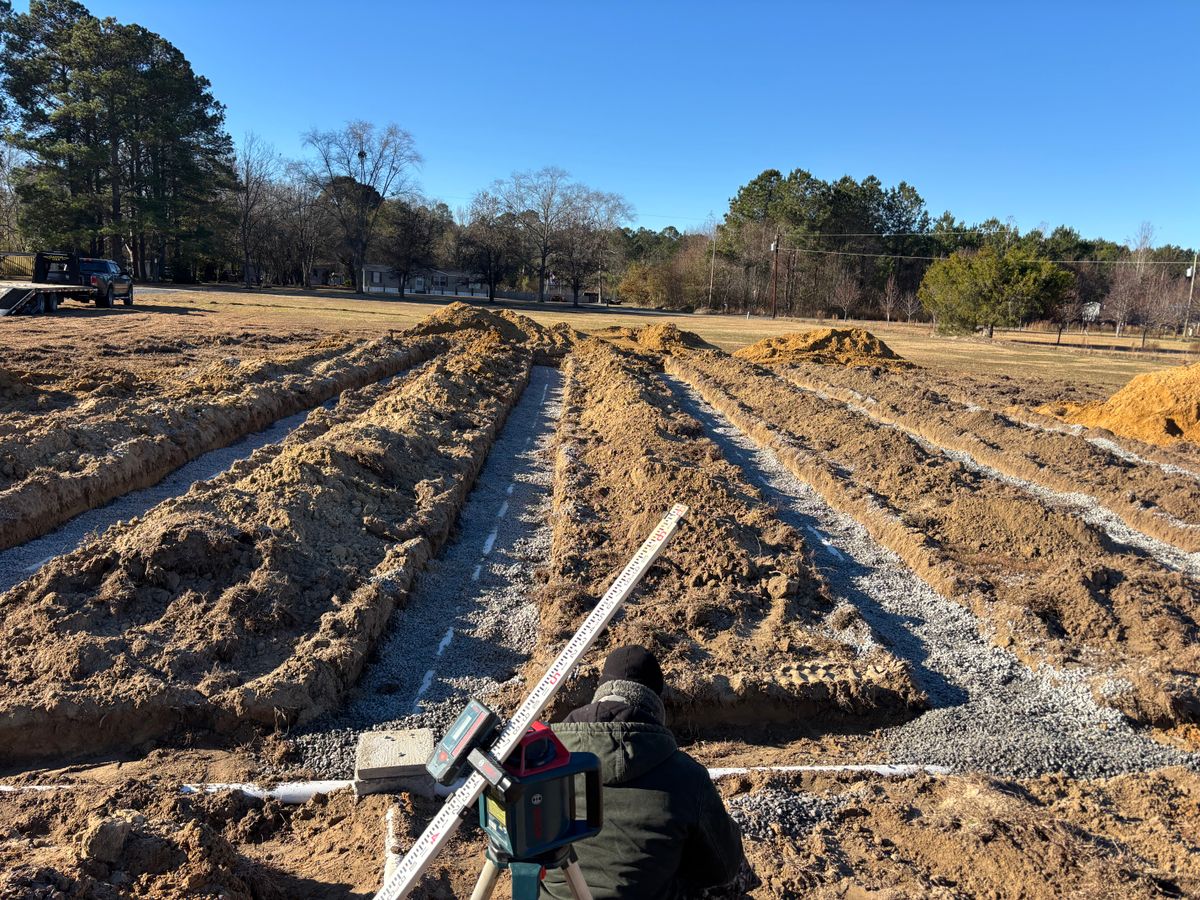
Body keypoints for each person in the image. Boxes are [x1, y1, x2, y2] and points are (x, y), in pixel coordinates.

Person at [542, 645, 744, 900]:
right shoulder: (687, 776)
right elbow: (721, 870)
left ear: (599, 696)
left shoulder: (544, 764)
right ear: (655, 705)